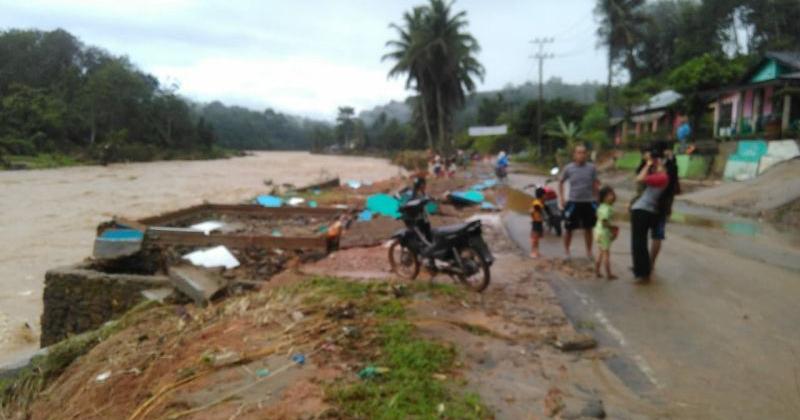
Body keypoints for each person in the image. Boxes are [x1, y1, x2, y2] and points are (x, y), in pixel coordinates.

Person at [629, 150, 669, 282]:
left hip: (642, 210)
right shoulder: (661, 178)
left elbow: (640, 178)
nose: (656, 166)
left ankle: (642, 273)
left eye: (659, 164)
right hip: (644, 210)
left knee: (638, 243)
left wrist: (648, 164)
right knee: (640, 242)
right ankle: (642, 270)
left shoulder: (662, 177)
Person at [559, 144, 600, 259]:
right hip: (573, 202)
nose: (582, 155)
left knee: (588, 228)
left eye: (583, 152)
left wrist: (597, 198)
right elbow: (561, 182)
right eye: (579, 152)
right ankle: (566, 252)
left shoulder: (592, 168)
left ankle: (589, 252)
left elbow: (595, 183)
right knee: (569, 228)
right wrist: (562, 198)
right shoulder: (568, 168)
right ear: (574, 155)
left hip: (589, 201)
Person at [594, 186, 619, 279]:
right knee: (606, 254)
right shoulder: (607, 208)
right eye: (609, 195)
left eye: (612, 194)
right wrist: (613, 227)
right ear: (604, 197)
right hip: (604, 232)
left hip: (597, 231)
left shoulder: (601, 206)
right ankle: (609, 274)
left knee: (601, 252)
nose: (612, 196)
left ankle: (597, 272)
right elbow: (604, 223)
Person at [529, 187, 546, 258]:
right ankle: (532, 252)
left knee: (537, 239)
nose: (546, 196)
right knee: (534, 239)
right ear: (542, 195)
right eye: (545, 195)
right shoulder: (537, 204)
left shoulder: (539, 202)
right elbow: (536, 214)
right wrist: (540, 219)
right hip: (536, 222)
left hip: (538, 222)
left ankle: (537, 252)